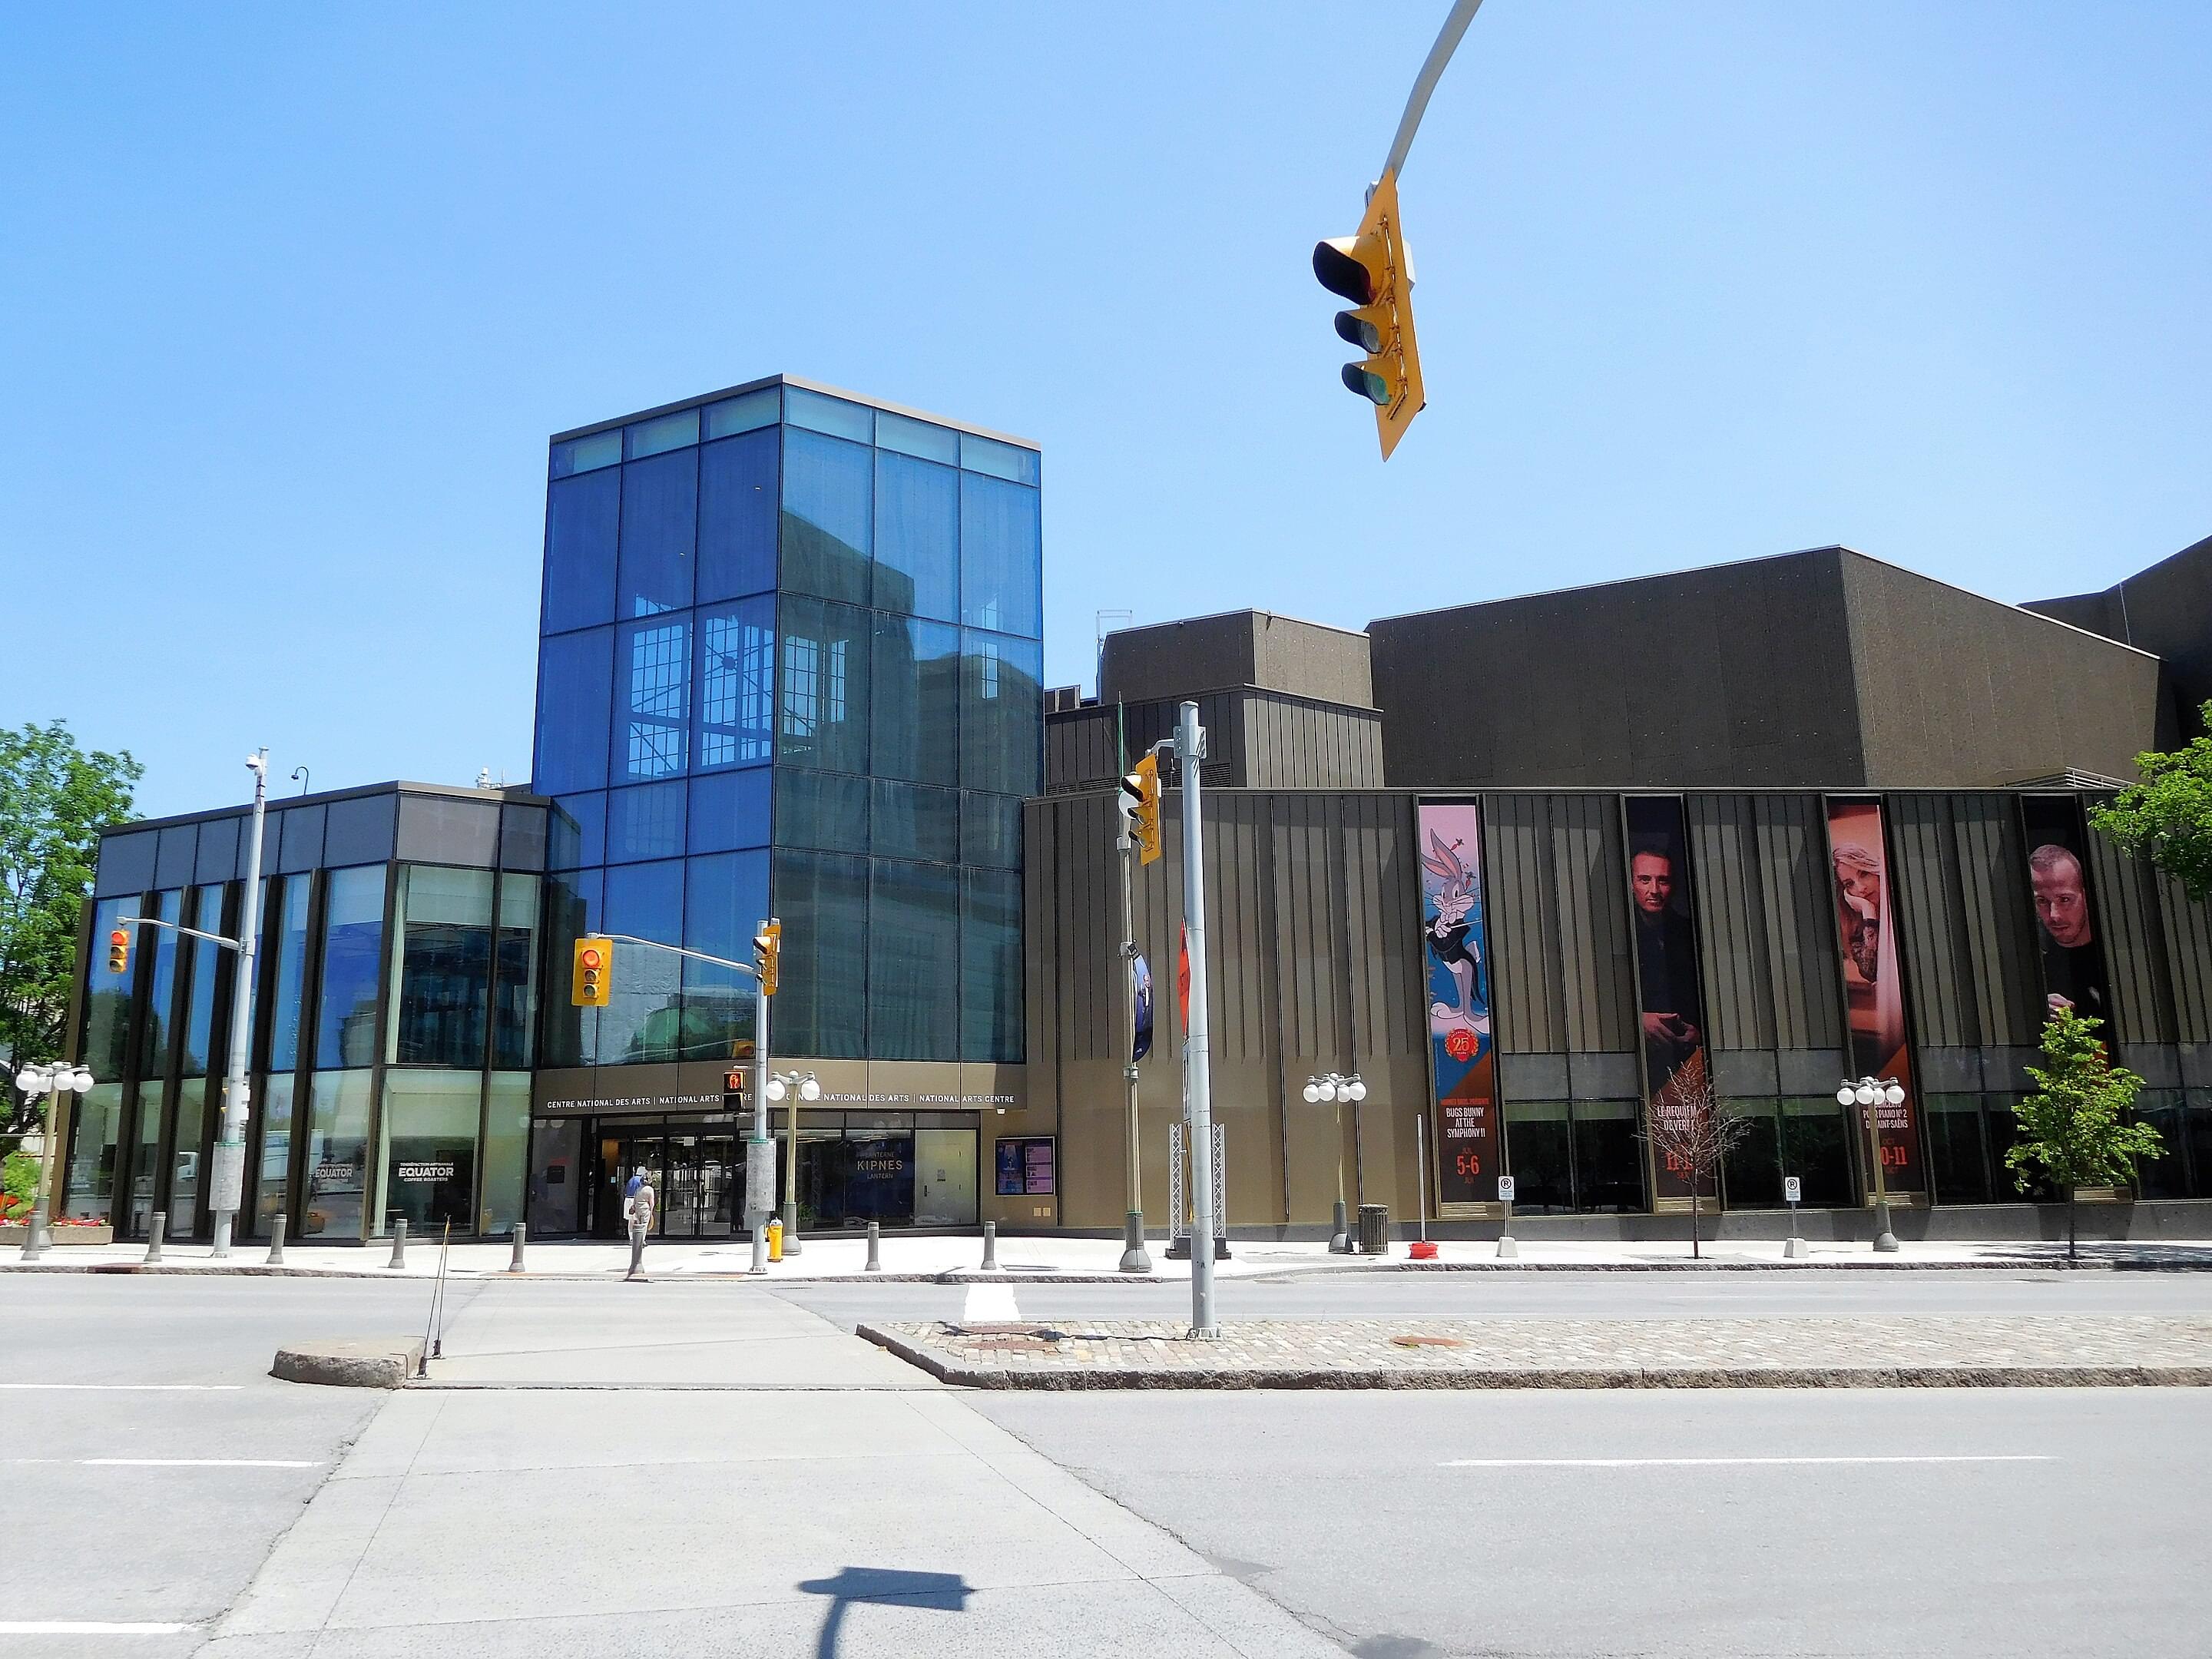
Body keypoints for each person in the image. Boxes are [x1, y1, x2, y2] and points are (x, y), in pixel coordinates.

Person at [1628, 846, 1701, 1080]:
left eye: (1663, 881)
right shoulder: (1617, 933)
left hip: (1688, 1056)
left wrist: (1699, 1033)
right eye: (1645, 880)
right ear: (1632, 885)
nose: (1654, 890)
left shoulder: (1689, 933)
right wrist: (1638, 1019)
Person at [2030, 843, 2107, 1020]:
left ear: (2086, 896)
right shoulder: (2033, 964)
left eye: (2064, 899)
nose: (2053, 915)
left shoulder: (2114, 952)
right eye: (2042, 901)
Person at [1831, 843, 1883, 984]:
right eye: (1849, 884)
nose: (1861, 888)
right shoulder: (1855, 927)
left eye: (1864, 874)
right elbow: (1870, 972)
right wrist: (1868, 910)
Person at [624, 1168, 656, 1281]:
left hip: (637, 1208)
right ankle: (642, 1241)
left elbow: (633, 1199)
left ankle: (632, 1238)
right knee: (644, 1226)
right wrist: (652, 1211)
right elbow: (651, 1202)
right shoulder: (650, 1190)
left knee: (634, 1224)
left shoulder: (638, 1189)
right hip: (646, 1209)